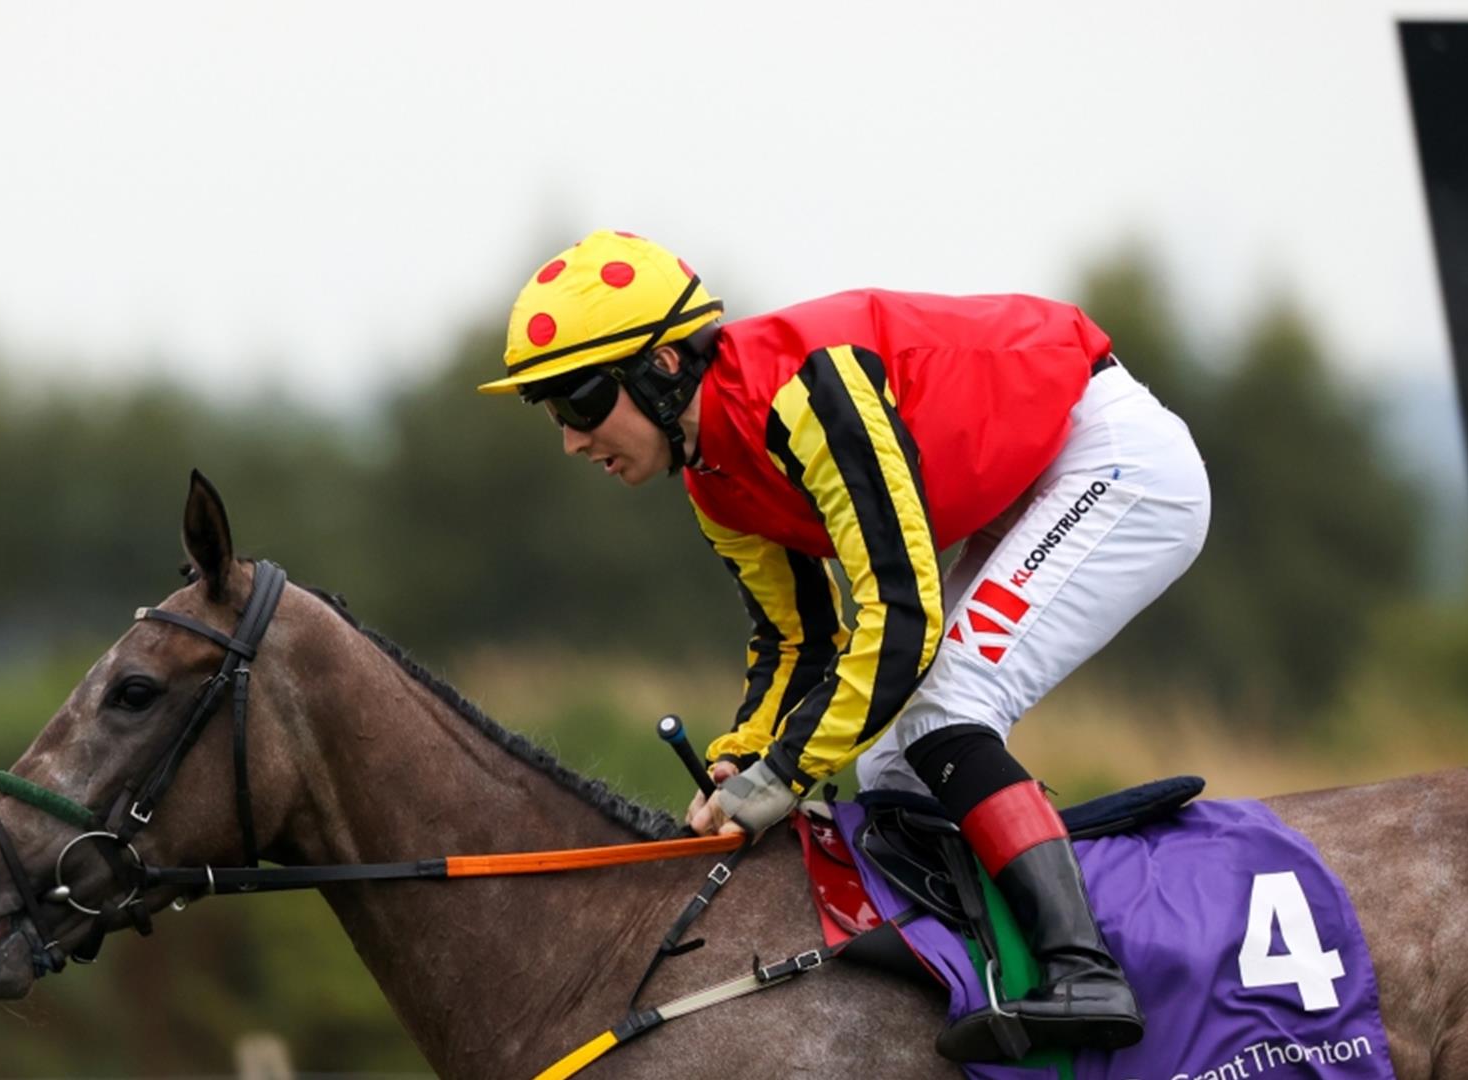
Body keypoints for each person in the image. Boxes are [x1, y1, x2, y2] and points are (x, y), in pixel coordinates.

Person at [479, 230, 1210, 1060]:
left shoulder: (807, 393)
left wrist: (783, 774)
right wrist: (740, 760)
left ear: (664, 368)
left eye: (578, 402)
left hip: (1111, 462)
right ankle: (987, 970)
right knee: (893, 762)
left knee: (941, 712)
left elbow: (900, 620)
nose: (571, 440)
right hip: (1025, 484)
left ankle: (1087, 972)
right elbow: (800, 639)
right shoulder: (714, 478)